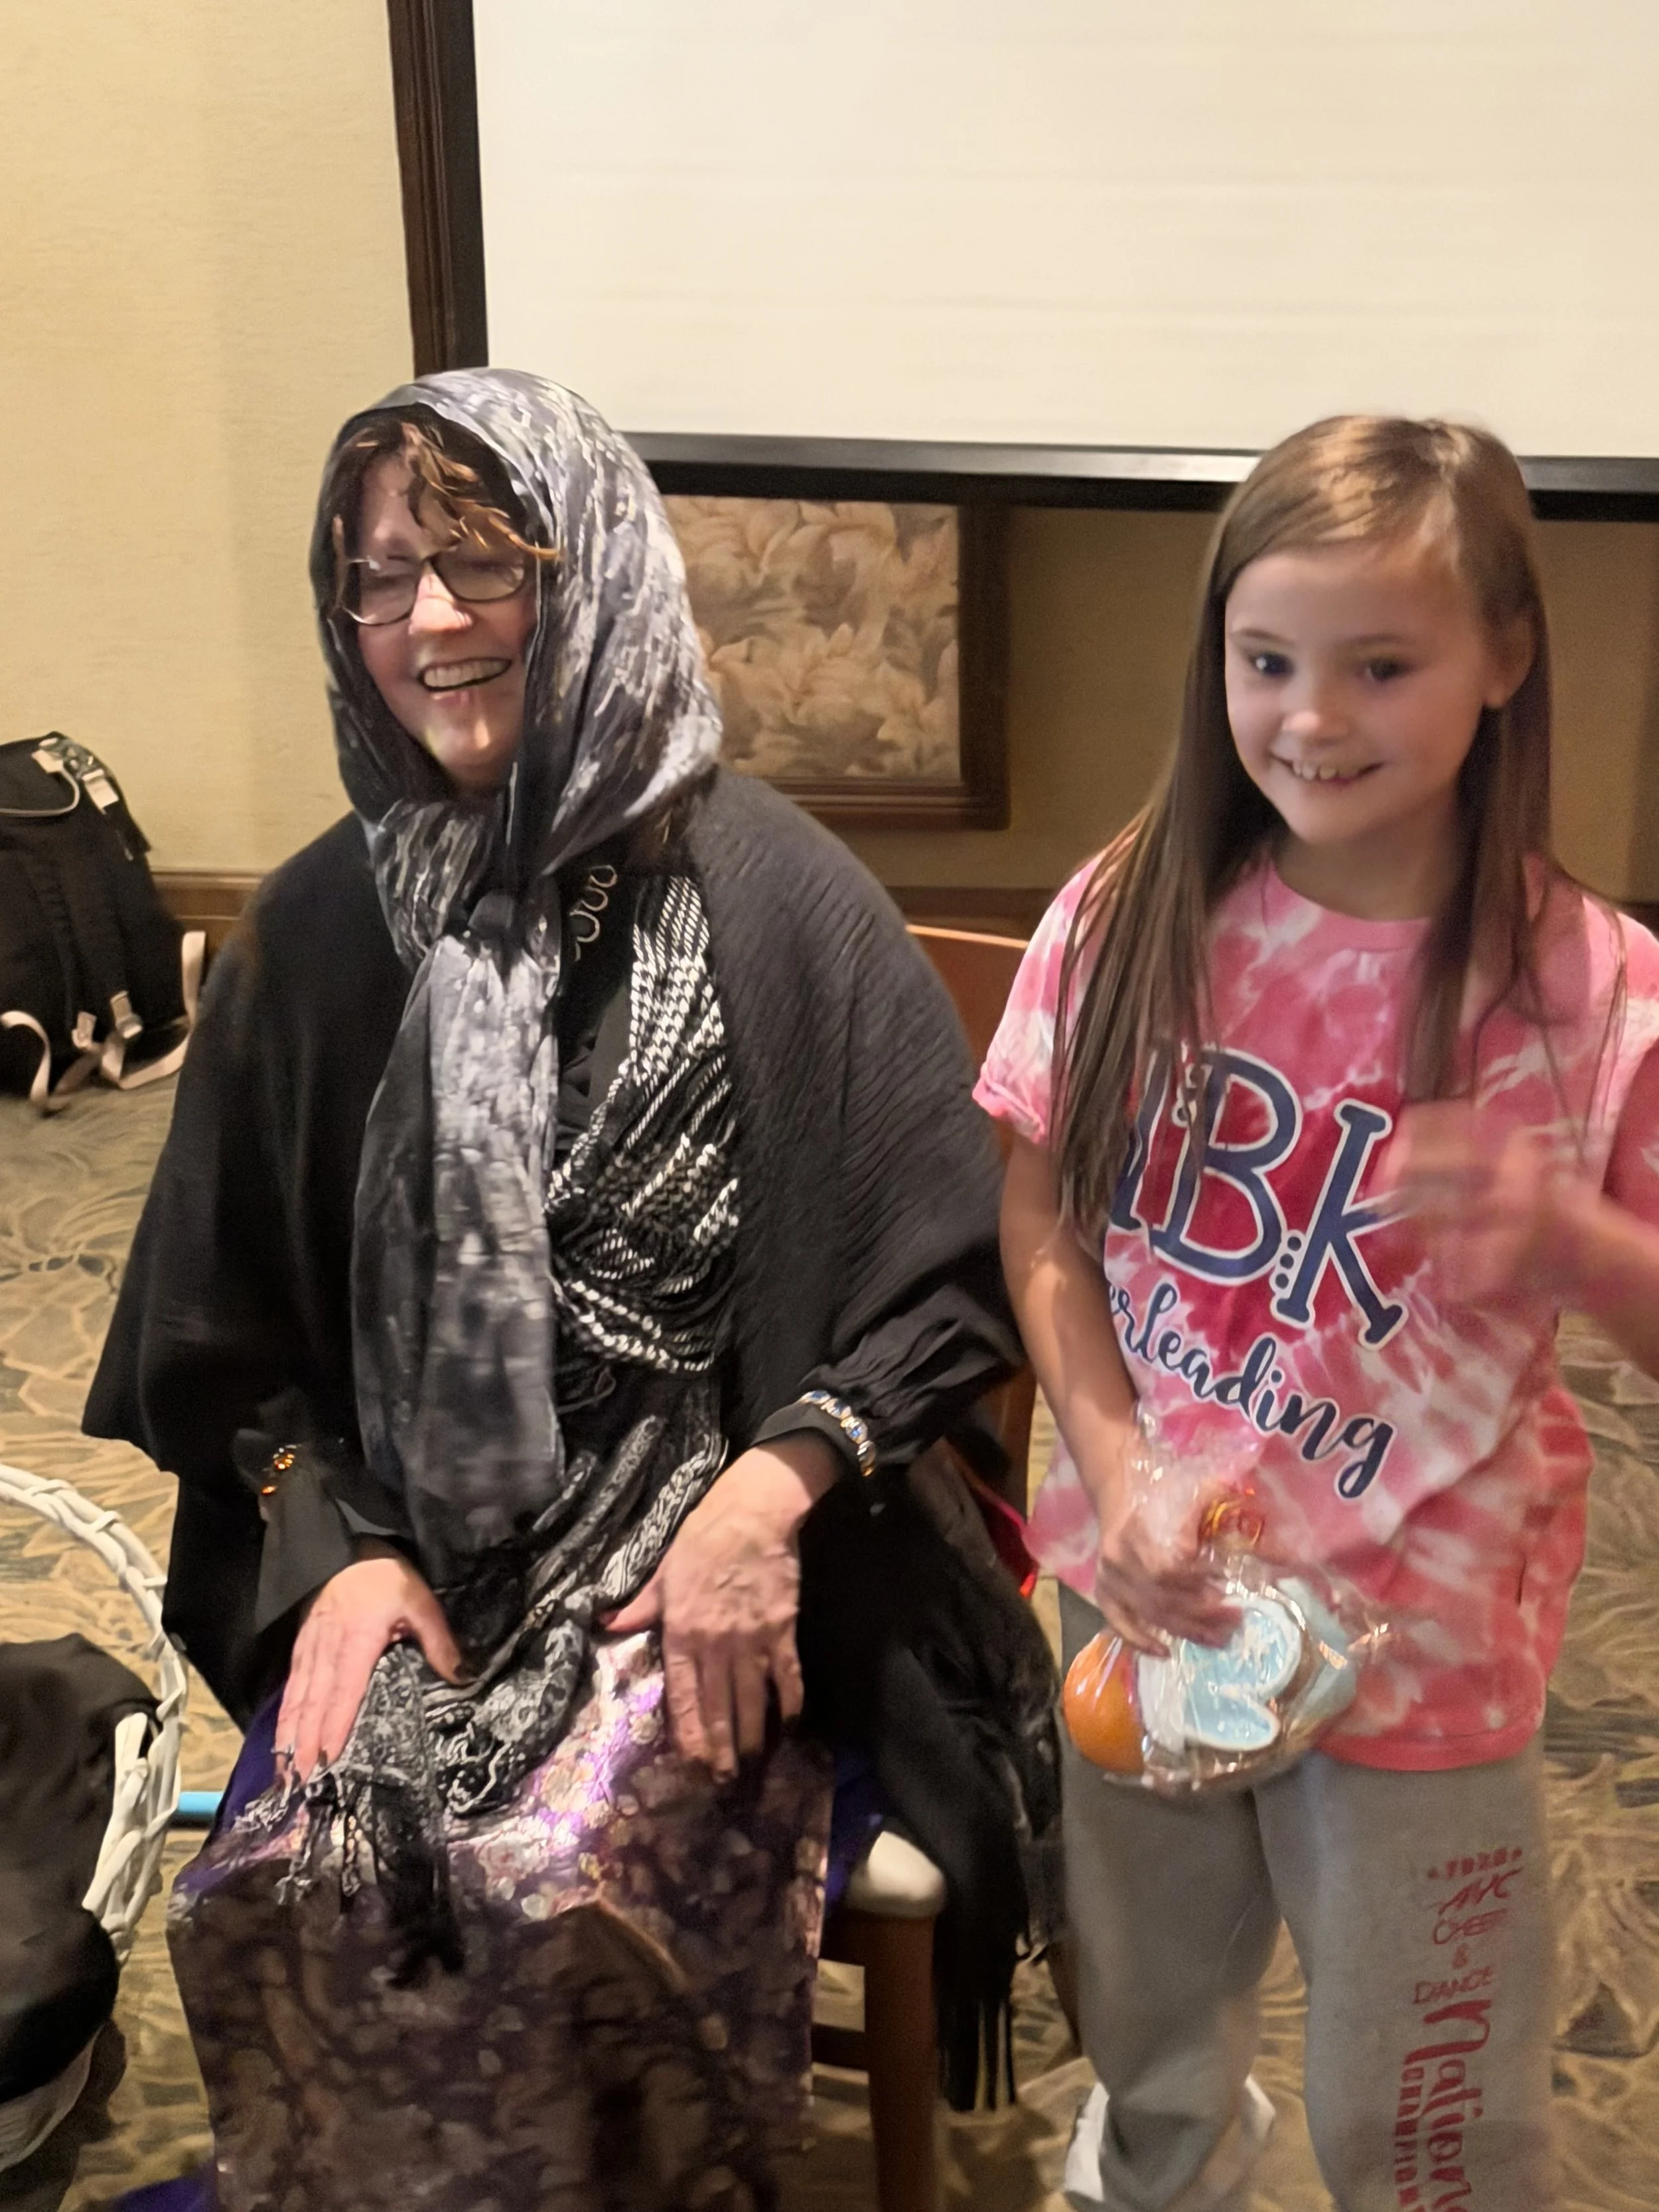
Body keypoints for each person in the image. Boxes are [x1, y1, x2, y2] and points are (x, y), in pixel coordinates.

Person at [85, 368, 1047, 2211]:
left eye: (480, 563)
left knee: (544, 1880)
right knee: (317, 1869)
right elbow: (222, 1347)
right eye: (379, 576)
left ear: (588, 568)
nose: (429, 619)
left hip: (715, 1539)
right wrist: (335, 1546)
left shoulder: (777, 898)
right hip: (407, 1540)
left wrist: (768, 1493)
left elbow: (949, 1266)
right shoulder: (319, 929)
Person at [975, 415, 1659, 2211]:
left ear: (1504, 658)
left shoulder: (1595, 995)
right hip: (1143, 1592)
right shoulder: (1125, 914)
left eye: (1380, 665)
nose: (1310, 717)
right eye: (1265, 660)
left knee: (1417, 2103)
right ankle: (1169, 2171)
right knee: (1147, 2019)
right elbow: (1042, 1219)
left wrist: (1576, 1238)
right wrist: (1116, 1465)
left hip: (1425, 1652)